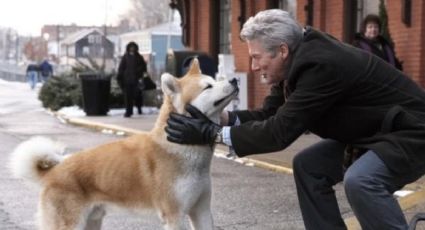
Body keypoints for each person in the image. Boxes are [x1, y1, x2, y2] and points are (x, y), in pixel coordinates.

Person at [165, 9, 425, 230]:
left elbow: (279, 132)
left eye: (256, 57)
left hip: (411, 132)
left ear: (282, 50)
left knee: (362, 180)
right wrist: (220, 118)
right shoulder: (295, 62)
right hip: (374, 133)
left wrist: (210, 134)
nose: (254, 67)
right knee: (308, 165)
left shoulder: (321, 66)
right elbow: (270, 115)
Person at [117, 41, 147, 117]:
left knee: (138, 96)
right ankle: (128, 111)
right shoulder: (125, 57)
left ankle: (139, 108)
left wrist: (139, 73)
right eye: (131, 47)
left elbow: (144, 67)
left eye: (133, 47)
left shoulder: (139, 57)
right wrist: (120, 77)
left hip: (137, 80)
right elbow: (121, 68)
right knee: (128, 97)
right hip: (127, 80)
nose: (132, 48)